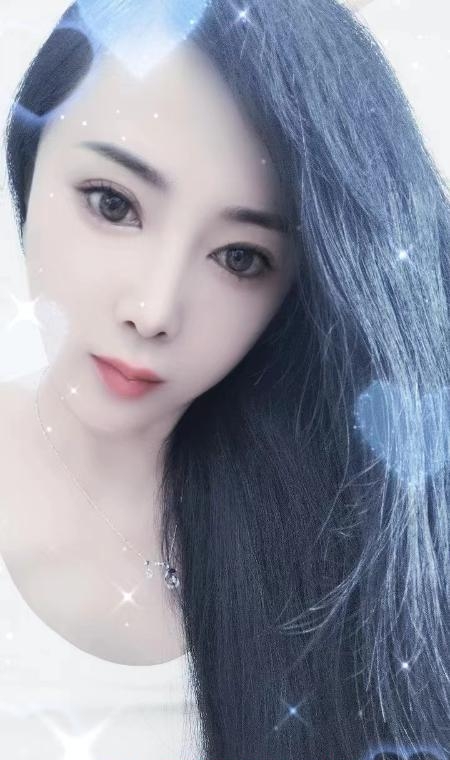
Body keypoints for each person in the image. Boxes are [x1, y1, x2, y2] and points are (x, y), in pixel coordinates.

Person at [1, 1, 449, 759]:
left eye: (240, 258)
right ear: (29, 158)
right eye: (113, 204)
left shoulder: (356, 544)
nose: (153, 311)